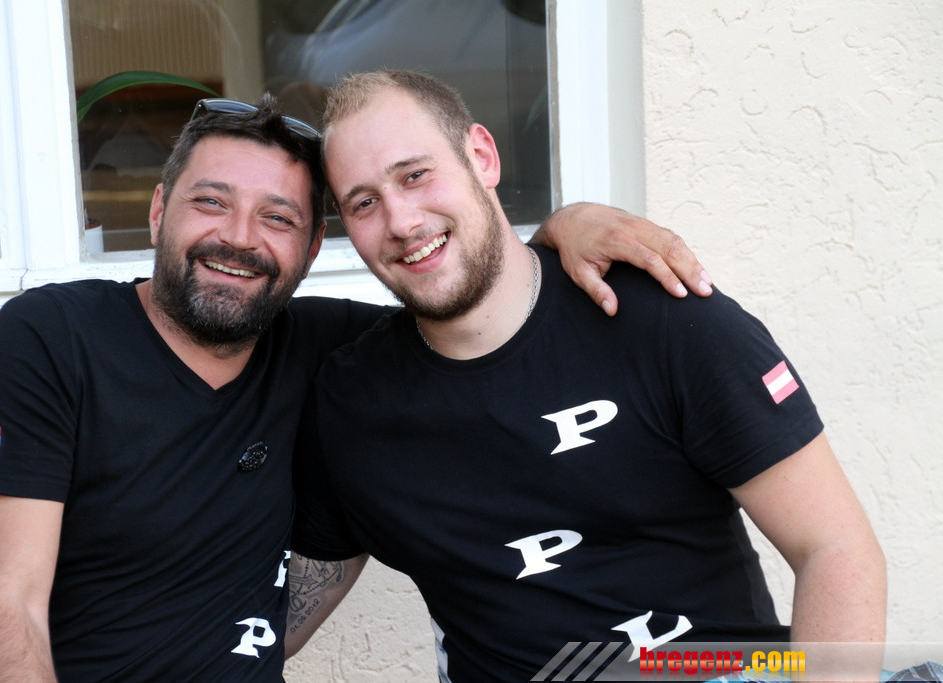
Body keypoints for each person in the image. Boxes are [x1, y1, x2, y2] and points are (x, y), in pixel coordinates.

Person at [0, 93, 712, 681]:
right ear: (160, 210)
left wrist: (563, 227)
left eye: (278, 218)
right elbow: (2, 602)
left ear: (309, 252)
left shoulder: (334, 352)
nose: (239, 237)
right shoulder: (54, 336)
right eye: (211, 201)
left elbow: (481, 303)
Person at [286, 70, 888, 681]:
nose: (401, 220)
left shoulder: (664, 324)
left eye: (416, 175)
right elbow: (271, 624)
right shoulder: (353, 404)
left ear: (482, 157)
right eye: (364, 203)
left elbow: (834, 549)